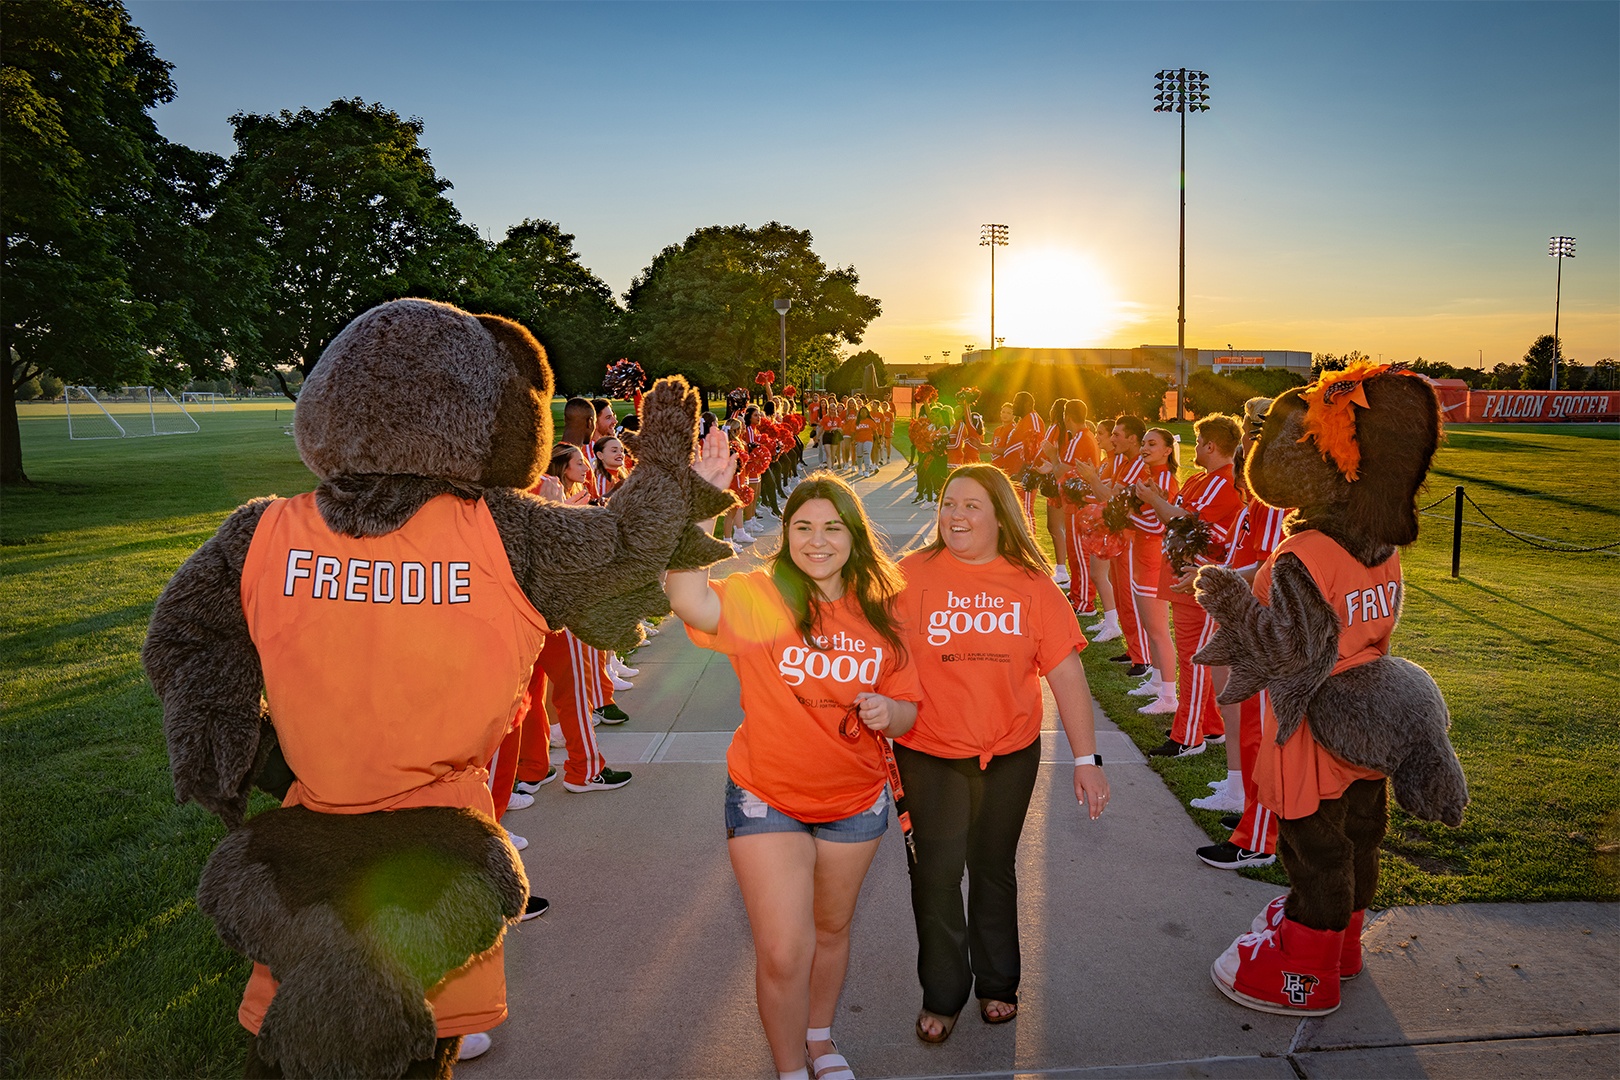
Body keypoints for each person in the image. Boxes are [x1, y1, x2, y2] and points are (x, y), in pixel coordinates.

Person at [668, 436, 922, 1080]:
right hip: (766, 798)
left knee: (831, 931)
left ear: (854, 537)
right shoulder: (762, 596)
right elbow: (688, 599)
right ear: (787, 535)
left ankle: (818, 1037)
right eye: (803, 527)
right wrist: (701, 505)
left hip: (855, 804)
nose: (817, 540)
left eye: (832, 528)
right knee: (784, 949)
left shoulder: (883, 611)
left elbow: (910, 708)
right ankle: (788, 1068)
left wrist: (887, 714)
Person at [894, 464, 1109, 1043]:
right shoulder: (907, 576)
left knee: (993, 869)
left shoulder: (1033, 585)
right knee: (936, 876)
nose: (956, 516)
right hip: (930, 752)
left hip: (1011, 754)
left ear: (1000, 516)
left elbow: (1066, 674)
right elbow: (868, 647)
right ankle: (942, 995)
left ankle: (997, 984)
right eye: (948, 504)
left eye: (971, 506)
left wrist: (1087, 761)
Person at [1134, 415, 1246, 757]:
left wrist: (1155, 502)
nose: (1194, 448)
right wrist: (1158, 500)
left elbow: (1186, 525)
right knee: (1193, 656)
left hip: (1197, 580)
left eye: (1198, 443)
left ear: (1211, 446)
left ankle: (1189, 735)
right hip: (1184, 578)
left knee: (1194, 658)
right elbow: (1177, 520)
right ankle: (1210, 726)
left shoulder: (1223, 482)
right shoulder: (1202, 479)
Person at [1122, 427, 1181, 716]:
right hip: (1142, 558)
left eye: (1153, 444)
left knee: (1158, 631)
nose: (1145, 447)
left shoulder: (1165, 479)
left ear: (1168, 450)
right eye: (1144, 442)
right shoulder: (1151, 477)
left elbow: (1160, 527)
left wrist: (1127, 517)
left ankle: (1170, 696)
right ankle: (1157, 681)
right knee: (1150, 627)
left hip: (1154, 562)